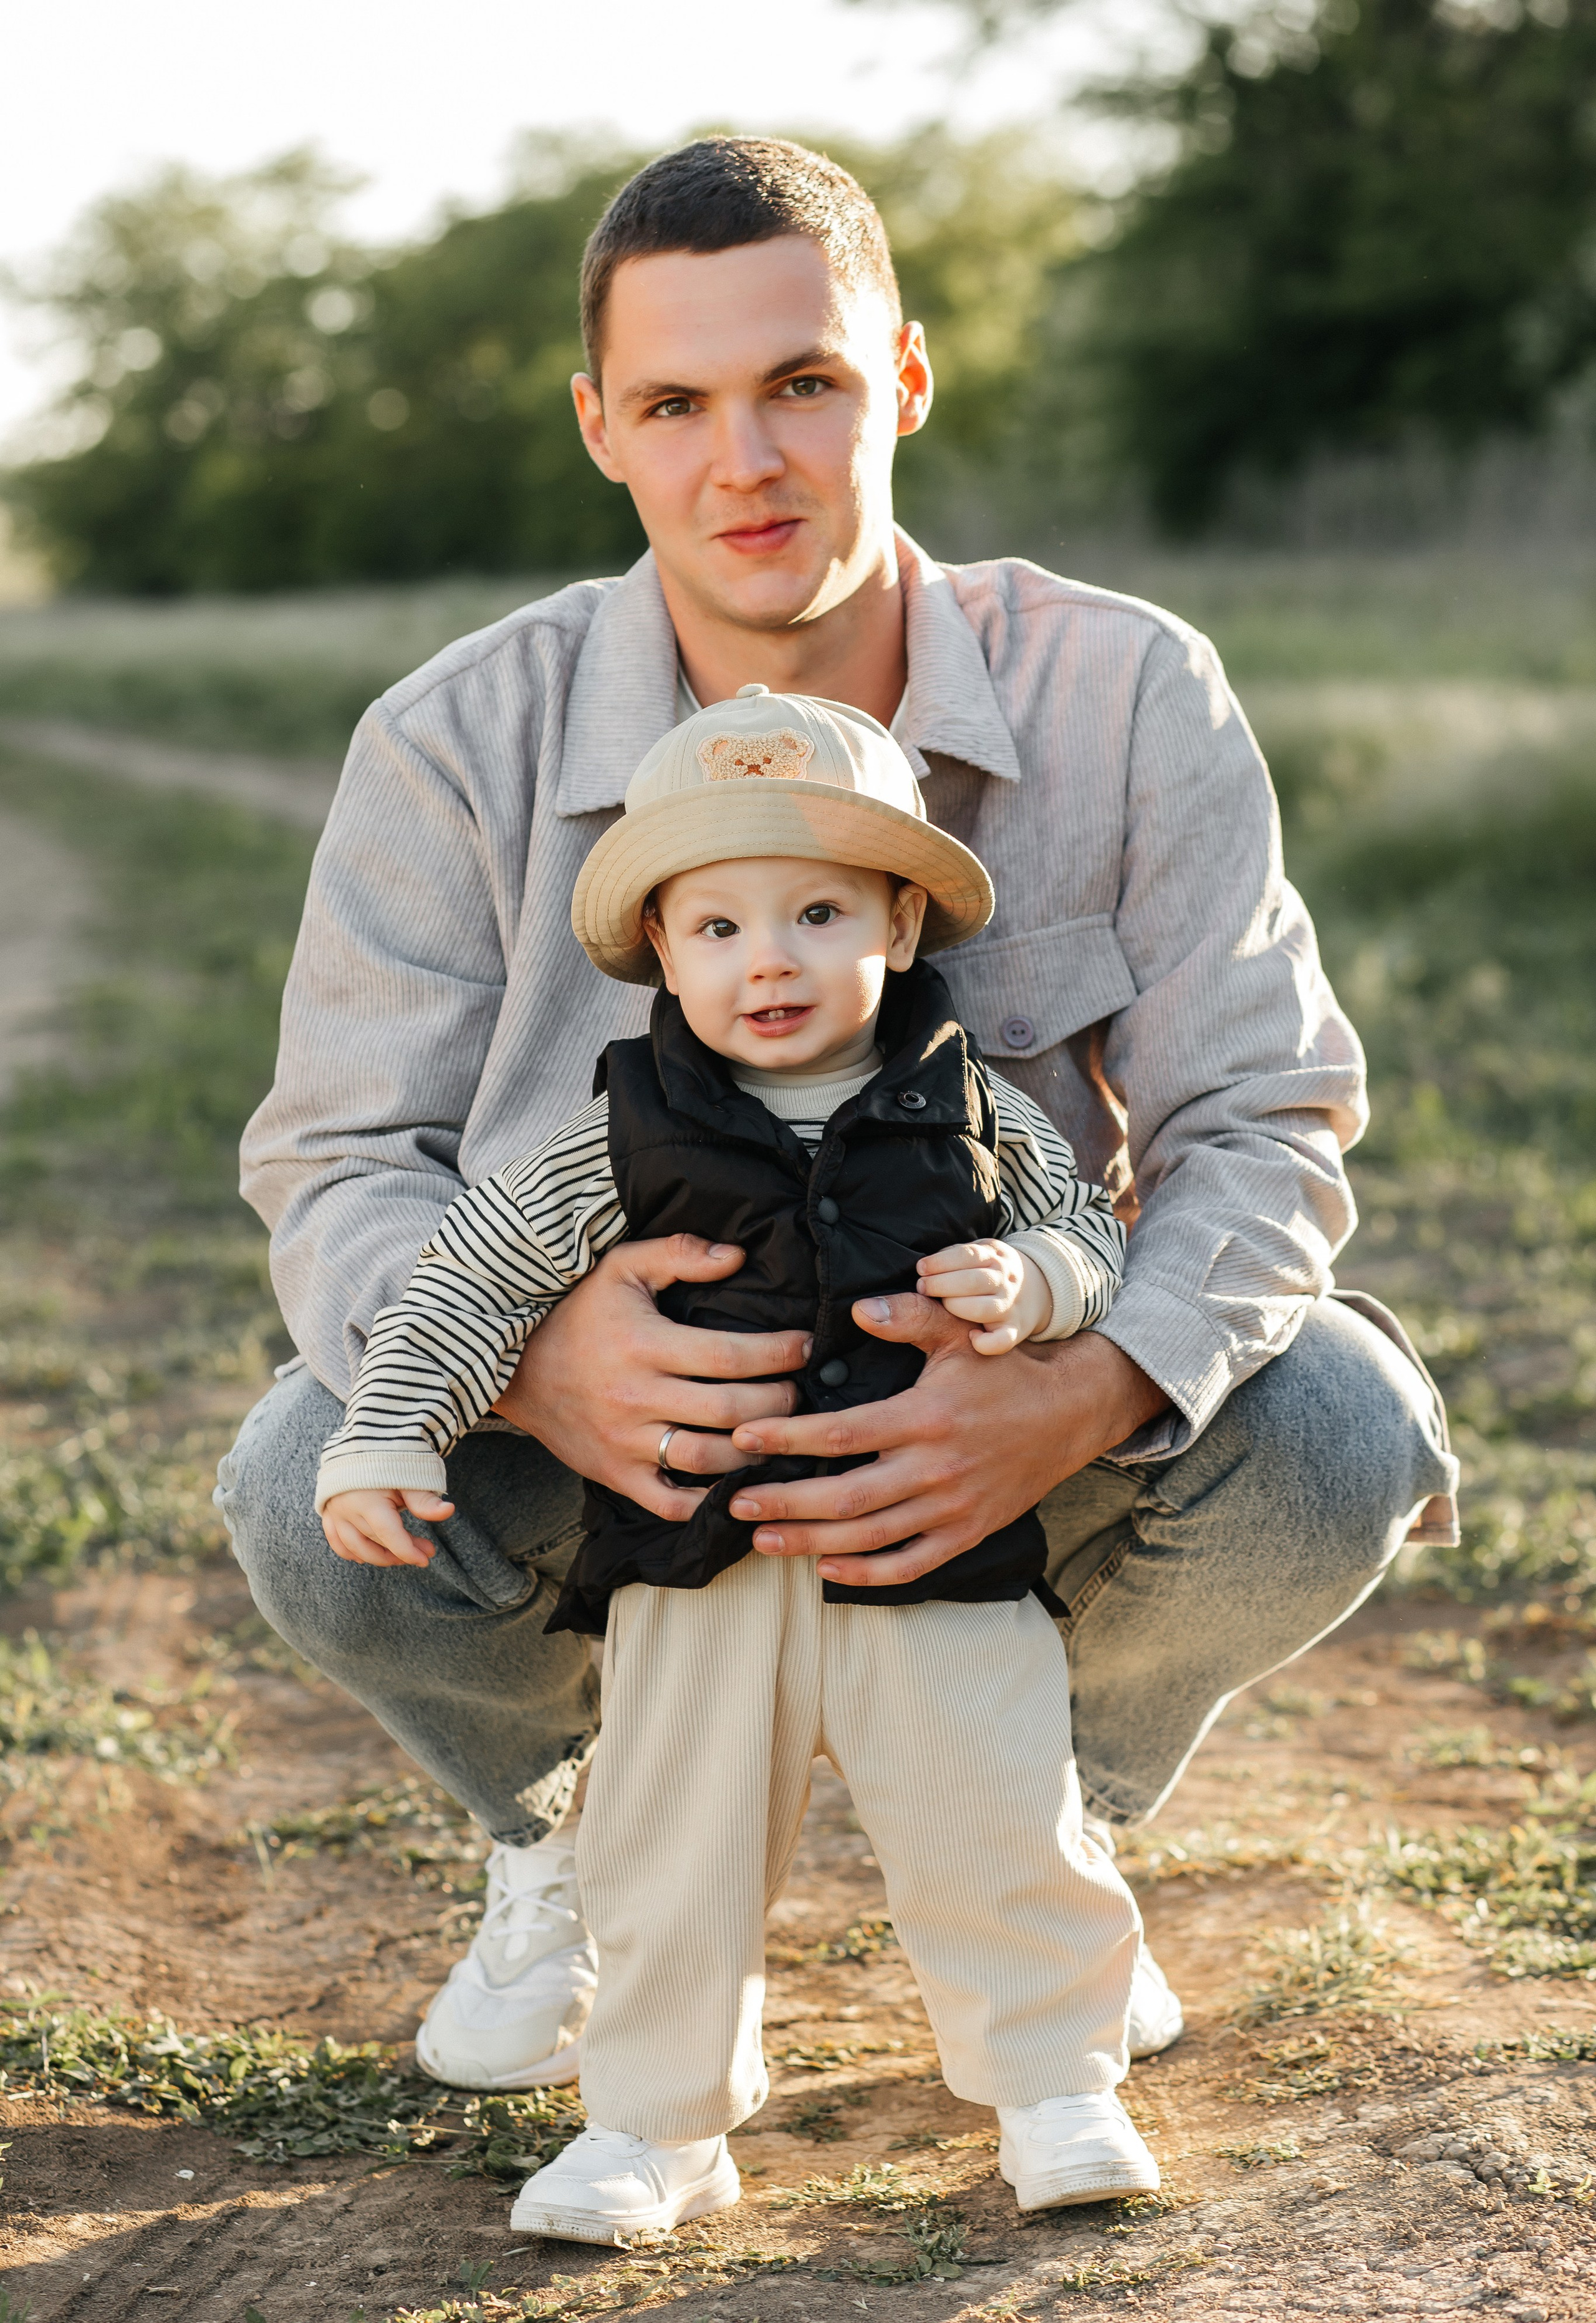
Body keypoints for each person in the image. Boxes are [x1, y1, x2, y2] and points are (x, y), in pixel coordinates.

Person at [218, 135, 1459, 2105]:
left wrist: (1088, 1385)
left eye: (802, 383)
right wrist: (540, 1363)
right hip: (625, 1453)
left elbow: (1263, 1109)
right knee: (309, 1475)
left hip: (992, 1410)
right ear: (599, 428)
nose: (747, 462)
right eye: (675, 405)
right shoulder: (453, 739)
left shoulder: (1128, 689)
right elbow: (337, 1157)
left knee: (1336, 1427)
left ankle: (1046, 1828)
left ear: (905, 381)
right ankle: (566, 1841)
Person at [317, 683, 1158, 2234]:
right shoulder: (617, 1135)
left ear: (898, 921)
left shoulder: (972, 1112)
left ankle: (1055, 2088)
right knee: (668, 1846)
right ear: (661, 947)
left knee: (996, 1817)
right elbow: (471, 1283)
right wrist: (386, 1431)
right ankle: (657, 2124)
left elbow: (1091, 1233)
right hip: (693, 1561)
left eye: (816, 913)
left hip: (931, 1539)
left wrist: (1035, 1281)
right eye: (716, 927)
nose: (766, 959)